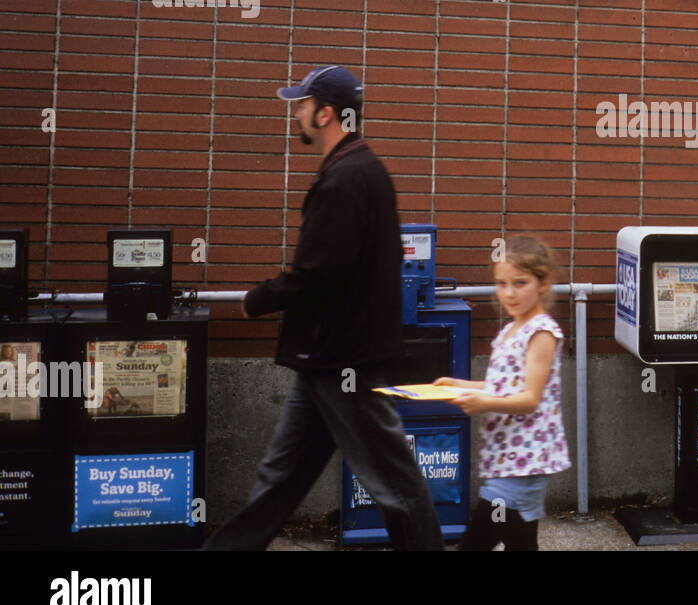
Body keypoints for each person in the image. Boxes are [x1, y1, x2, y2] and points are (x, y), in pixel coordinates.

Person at [205, 65, 443, 551]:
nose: (296, 113)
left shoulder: (344, 180)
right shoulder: (364, 170)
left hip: (342, 361)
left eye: (301, 104)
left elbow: (318, 271)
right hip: (326, 362)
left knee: (394, 485)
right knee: (281, 478)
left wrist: (260, 299)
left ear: (326, 113)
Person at [434, 235, 570, 550]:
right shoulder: (511, 329)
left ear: (543, 283)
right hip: (508, 459)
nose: (509, 293)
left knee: (480, 539)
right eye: (501, 283)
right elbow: (506, 386)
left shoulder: (541, 333)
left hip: (525, 462)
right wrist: (463, 385)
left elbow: (529, 398)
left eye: (520, 283)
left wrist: (483, 402)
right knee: (519, 541)